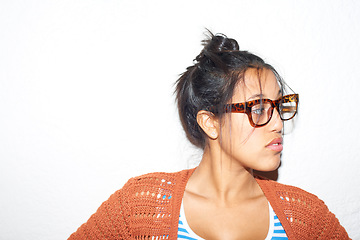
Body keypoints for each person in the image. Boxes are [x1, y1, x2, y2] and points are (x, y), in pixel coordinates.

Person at [68, 32, 350, 239]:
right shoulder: (140, 206)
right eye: (259, 107)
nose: (277, 123)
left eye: (279, 106)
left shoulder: (304, 216)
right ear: (210, 123)